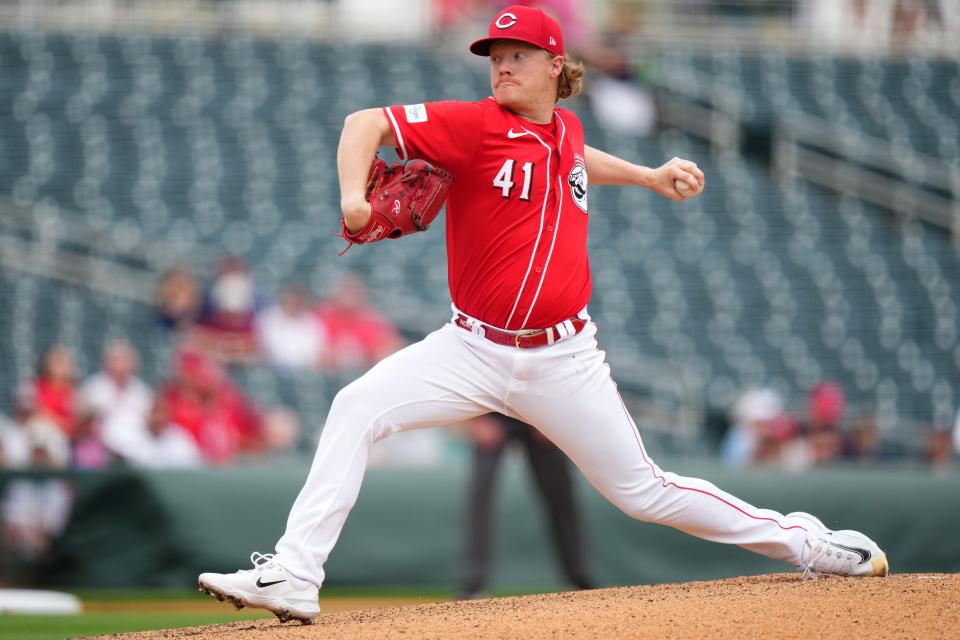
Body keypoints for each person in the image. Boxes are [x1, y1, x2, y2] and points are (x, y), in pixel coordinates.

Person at [198, 6, 888, 625]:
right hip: (469, 350)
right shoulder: (472, 126)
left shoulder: (563, 130)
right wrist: (354, 194)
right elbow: (363, 124)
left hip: (564, 359)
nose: (501, 65)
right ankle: (295, 574)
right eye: (495, 56)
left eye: (517, 55)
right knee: (355, 406)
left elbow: (573, 156)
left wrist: (647, 176)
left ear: (557, 66)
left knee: (644, 492)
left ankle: (808, 543)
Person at [459, 413, 593, 599]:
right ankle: (473, 583)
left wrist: (551, 417)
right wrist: (476, 420)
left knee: (562, 497)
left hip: (535, 410)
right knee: (479, 499)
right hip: (492, 410)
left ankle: (579, 577)